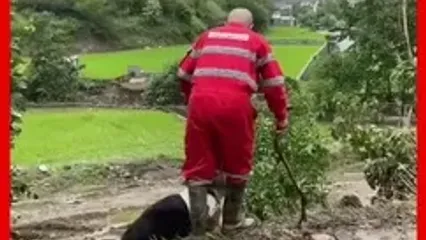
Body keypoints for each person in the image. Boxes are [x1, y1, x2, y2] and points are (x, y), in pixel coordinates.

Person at [176, 8, 290, 239]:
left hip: (200, 103)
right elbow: (274, 84)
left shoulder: (206, 36)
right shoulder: (258, 42)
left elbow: (183, 74)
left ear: (226, 22)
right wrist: (281, 117)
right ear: (250, 26)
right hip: (235, 107)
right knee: (238, 164)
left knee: (198, 167)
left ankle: (198, 232)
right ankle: (231, 223)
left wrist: (193, 100)